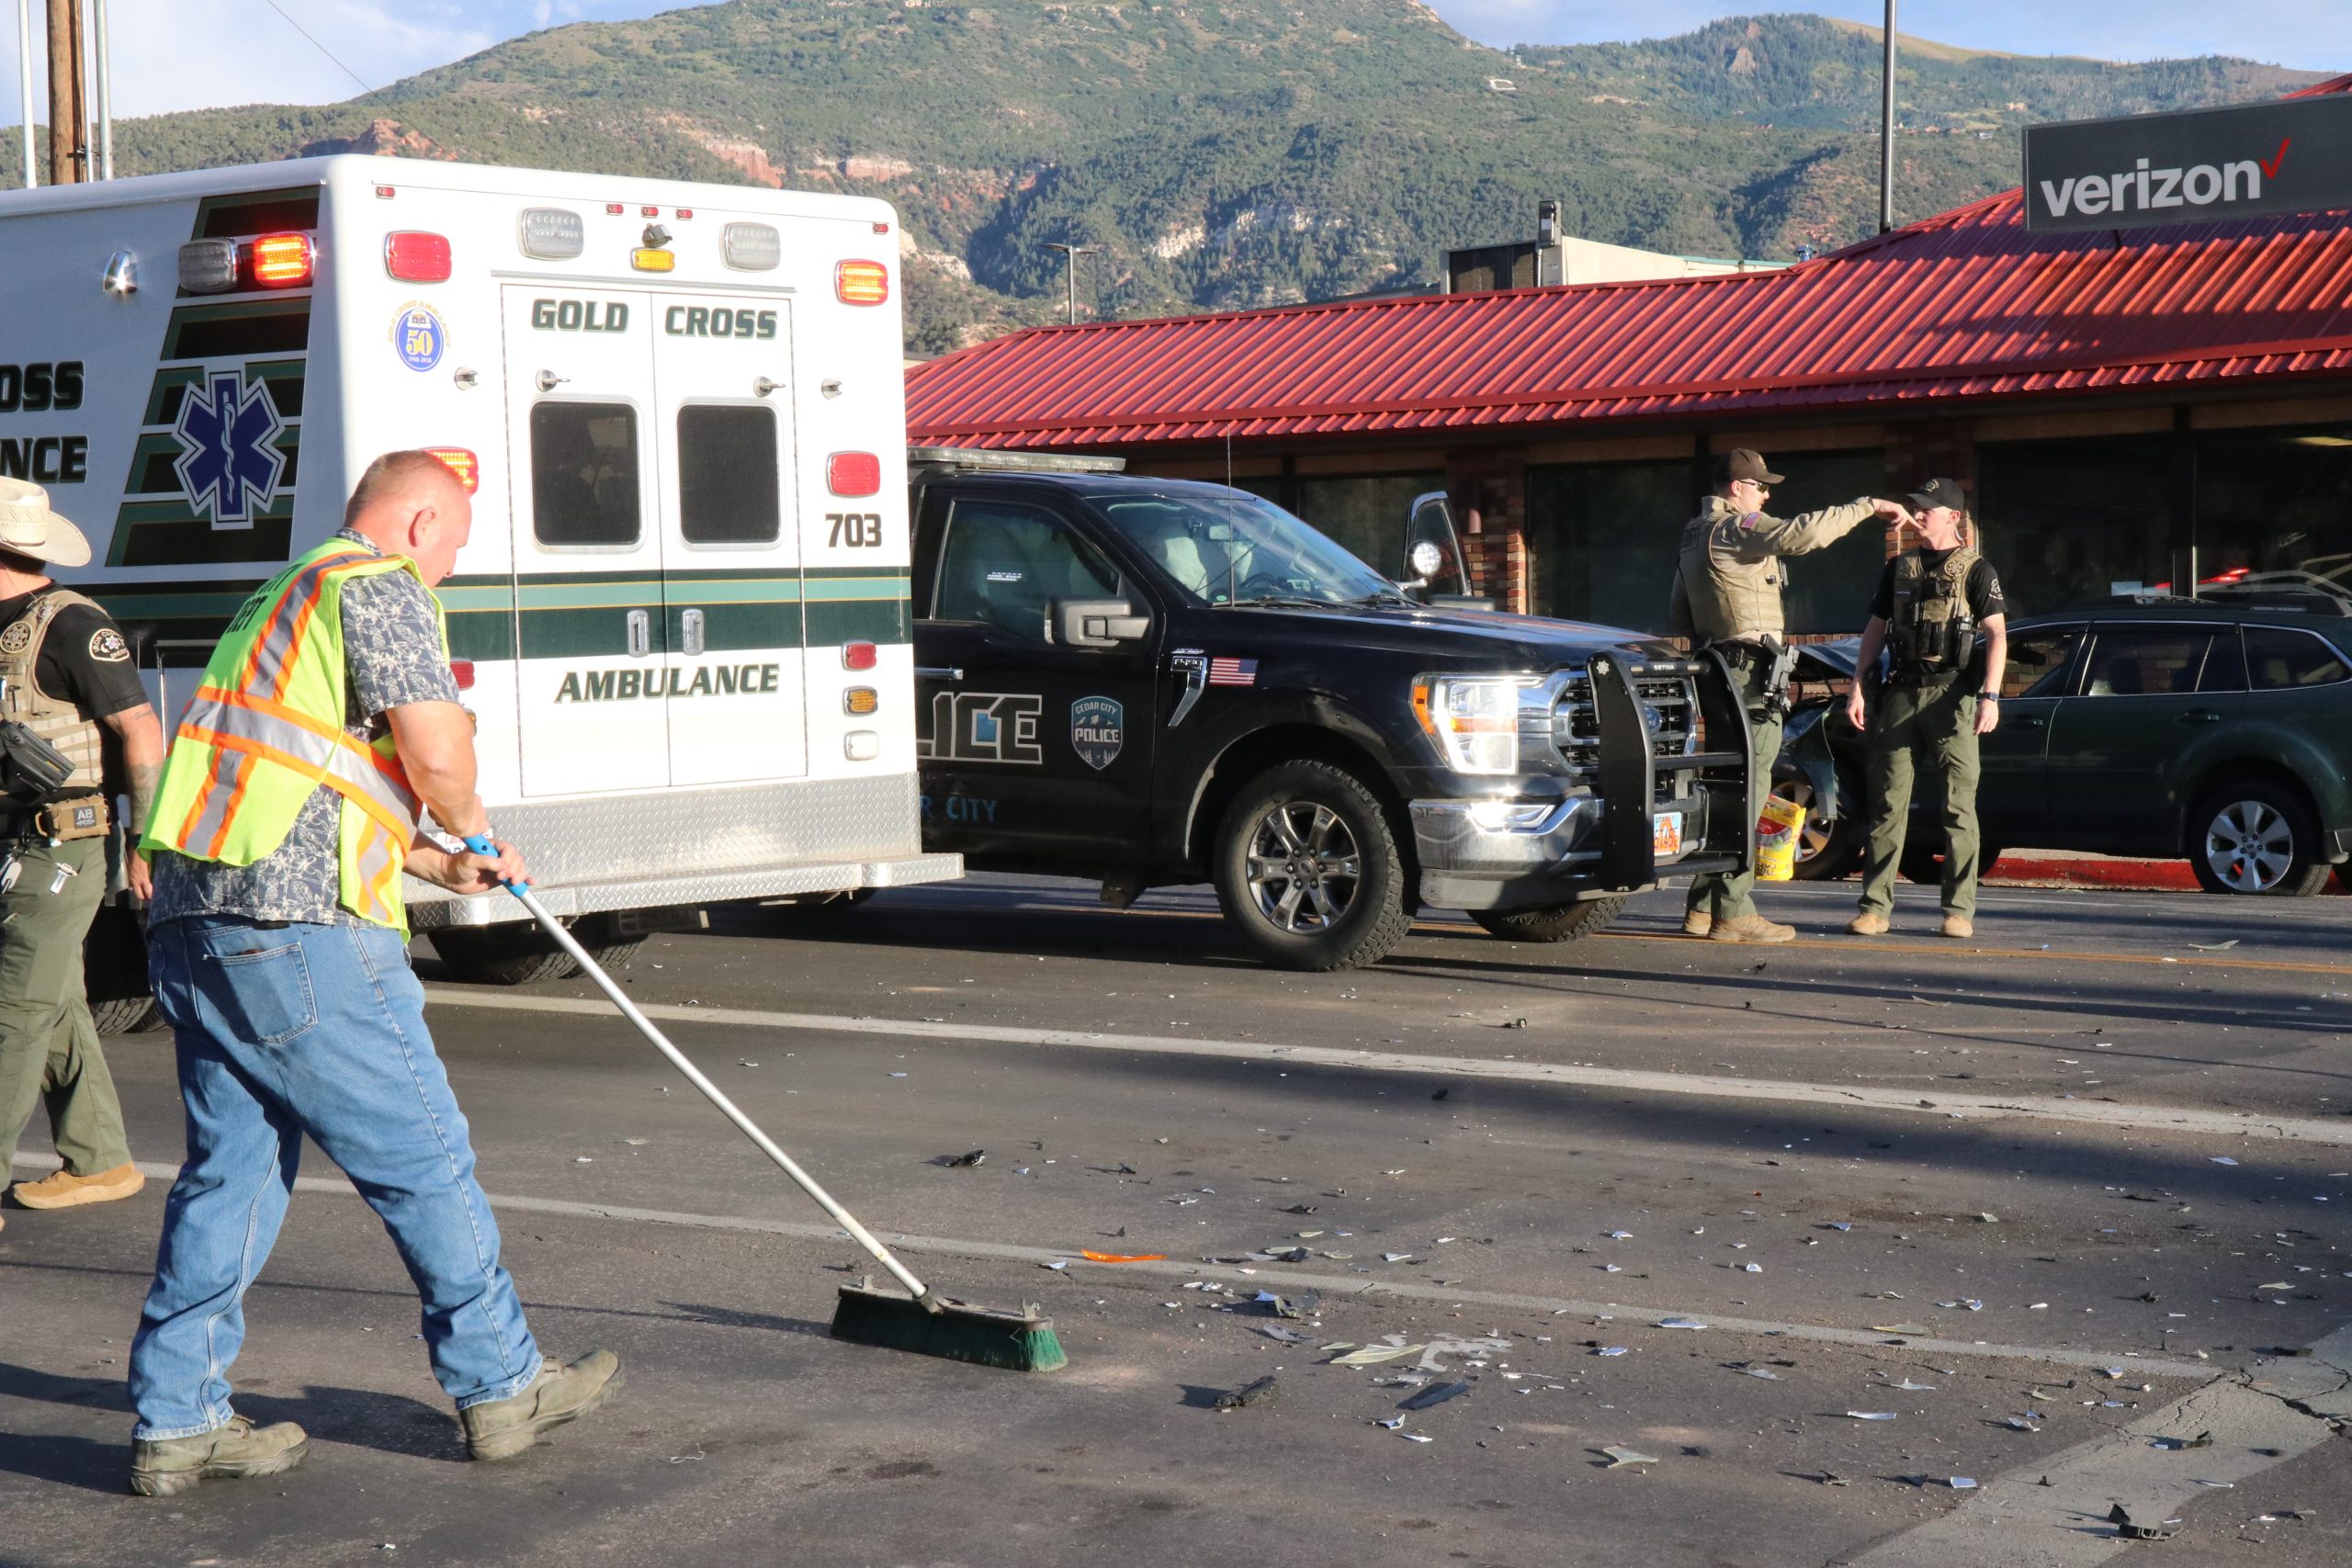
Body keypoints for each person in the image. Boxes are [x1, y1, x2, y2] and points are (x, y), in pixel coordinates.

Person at [125, 451, 619, 1495]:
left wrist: (442, 860)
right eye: (456, 546)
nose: (451, 569)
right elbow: (434, 752)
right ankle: (502, 1384)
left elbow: (315, 775)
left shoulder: (282, 596)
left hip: (198, 922)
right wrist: (474, 820)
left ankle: (178, 1420)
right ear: (419, 519)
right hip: (302, 933)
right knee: (424, 1158)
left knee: (232, 1178)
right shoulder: (377, 586)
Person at [0, 478, 164, 1235]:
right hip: (15, 841)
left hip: (65, 842)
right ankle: (100, 1157)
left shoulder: (70, 625)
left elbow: (140, 729)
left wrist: (146, 840)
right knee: (56, 999)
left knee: (14, 1010)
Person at [1671, 450, 1912, 942]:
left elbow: (1680, 609)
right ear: (1737, 487)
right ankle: (1733, 914)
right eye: (1760, 486)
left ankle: (1701, 906)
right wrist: (1867, 505)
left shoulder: (1694, 533)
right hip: (1748, 671)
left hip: (1719, 668)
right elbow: (1800, 534)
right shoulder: (1739, 526)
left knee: (1723, 787)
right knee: (1750, 789)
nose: (1767, 493)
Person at [1844, 477, 2007, 940]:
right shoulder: (1899, 567)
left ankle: (1958, 911)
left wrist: (1992, 697)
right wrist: (1857, 685)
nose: (1919, 515)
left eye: (1928, 509)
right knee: (1887, 806)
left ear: (1953, 517)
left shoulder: (1978, 570)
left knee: (1959, 807)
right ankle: (1874, 908)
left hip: (1952, 697)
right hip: (1900, 694)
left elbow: (1996, 635)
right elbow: (1876, 628)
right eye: (1917, 507)